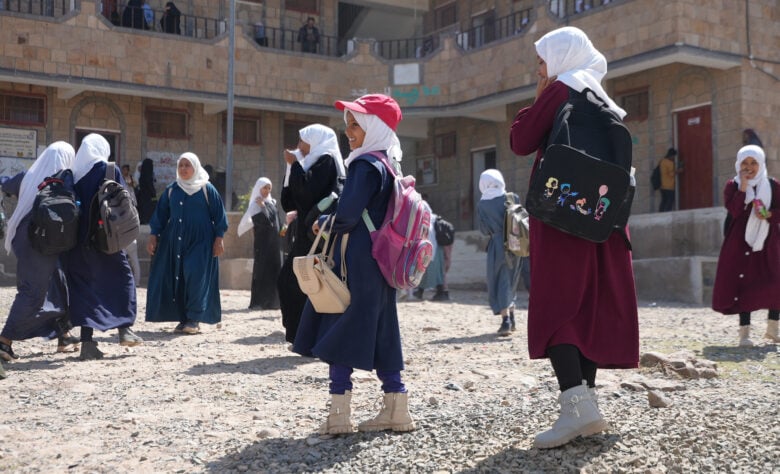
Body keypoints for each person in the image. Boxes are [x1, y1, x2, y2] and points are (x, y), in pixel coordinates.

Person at [509, 26, 639, 449]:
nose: (539, 69)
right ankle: (586, 405)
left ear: (562, 58)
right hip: (601, 220)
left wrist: (539, 96)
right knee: (588, 306)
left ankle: (576, 407)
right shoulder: (600, 97)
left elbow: (521, 141)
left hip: (562, 217)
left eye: (542, 60)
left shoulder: (560, 89)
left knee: (558, 304)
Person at [293, 93, 415, 435]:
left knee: (340, 321)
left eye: (356, 125)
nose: (348, 131)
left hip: (358, 258)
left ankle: (339, 414)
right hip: (383, 259)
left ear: (374, 127)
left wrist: (324, 221)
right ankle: (396, 407)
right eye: (347, 124)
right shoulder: (389, 163)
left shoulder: (364, 165)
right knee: (383, 328)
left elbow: (347, 215)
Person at [64, 134, 143, 360]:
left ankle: (87, 343)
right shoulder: (109, 170)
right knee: (122, 279)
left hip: (79, 244)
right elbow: (125, 203)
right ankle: (124, 329)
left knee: (85, 291)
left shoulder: (73, 174)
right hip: (106, 240)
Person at [0, 142, 80, 362]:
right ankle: (4, 341)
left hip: (28, 238)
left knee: (58, 285)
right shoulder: (66, 180)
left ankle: (64, 335)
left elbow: (6, 184)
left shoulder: (28, 176)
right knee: (32, 292)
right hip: (40, 242)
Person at [145, 152, 228, 335]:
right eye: (180, 165)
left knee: (196, 275)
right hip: (175, 241)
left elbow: (219, 215)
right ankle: (183, 318)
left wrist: (219, 238)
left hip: (201, 240)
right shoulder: (172, 190)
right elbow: (160, 214)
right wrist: (153, 235)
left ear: (195, 167)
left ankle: (194, 319)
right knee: (179, 276)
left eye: (187, 165)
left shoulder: (207, 189)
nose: (183, 169)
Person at [276, 124, 345, 343]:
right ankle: (300, 335)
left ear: (314, 141)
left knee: (303, 284)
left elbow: (306, 194)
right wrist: (292, 169)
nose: (298, 146)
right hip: (305, 237)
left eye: (301, 141)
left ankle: (306, 337)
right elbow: (288, 203)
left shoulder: (327, 161)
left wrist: (296, 165)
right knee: (292, 282)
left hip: (317, 237)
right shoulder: (310, 166)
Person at [712, 145, 780, 346]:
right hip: (740, 242)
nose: (749, 167)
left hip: (768, 240)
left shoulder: (773, 185)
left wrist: (769, 214)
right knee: (745, 283)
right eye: (745, 163)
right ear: (738, 164)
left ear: (761, 164)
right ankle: (745, 333)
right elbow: (734, 210)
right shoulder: (732, 185)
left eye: (753, 163)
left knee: (775, 281)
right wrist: (743, 187)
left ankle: (772, 330)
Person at [477, 169, 521, 336]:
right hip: (516, 243)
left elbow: (483, 230)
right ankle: (512, 317)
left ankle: (505, 321)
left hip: (497, 245)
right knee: (512, 279)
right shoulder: (512, 197)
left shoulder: (483, 204)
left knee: (500, 280)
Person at [238, 177, 282, 310]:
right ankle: (259, 302)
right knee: (262, 270)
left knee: (274, 270)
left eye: (269, 188)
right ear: (259, 188)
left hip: (274, 243)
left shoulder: (272, 203)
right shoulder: (256, 205)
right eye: (264, 188)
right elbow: (265, 222)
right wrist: (262, 207)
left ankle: (273, 302)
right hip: (263, 244)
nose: (267, 190)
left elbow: (275, 221)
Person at [121, 164, 141, 283]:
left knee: (129, 260)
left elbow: (134, 186)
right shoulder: (121, 178)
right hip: (131, 239)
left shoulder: (131, 178)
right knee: (133, 260)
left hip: (126, 239)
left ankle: (135, 281)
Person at [136, 158, 156, 224]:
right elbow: (149, 185)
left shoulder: (142, 175)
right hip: (148, 196)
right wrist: (154, 193)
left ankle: (143, 220)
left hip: (142, 195)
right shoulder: (148, 176)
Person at [658, 147, 678, 212]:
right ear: (671, 155)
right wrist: (678, 171)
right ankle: (667, 213)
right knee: (670, 201)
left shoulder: (662, 161)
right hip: (669, 186)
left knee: (664, 201)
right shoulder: (670, 163)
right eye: (673, 156)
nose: (674, 158)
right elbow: (671, 174)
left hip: (662, 185)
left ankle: (660, 213)